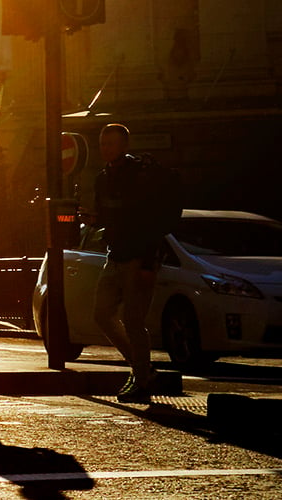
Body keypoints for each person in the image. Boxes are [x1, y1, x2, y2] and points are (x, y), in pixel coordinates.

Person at [91, 123, 180, 403]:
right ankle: (143, 368)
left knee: (133, 319)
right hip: (115, 254)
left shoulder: (141, 177)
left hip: (138, 257)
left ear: (125, 146)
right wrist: (95, 222)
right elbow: (107, 215)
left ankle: (141, 379)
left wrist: (147, 263)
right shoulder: (103, 178)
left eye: (111, 144)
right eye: (103, 143)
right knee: (102, 313)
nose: (106, 149)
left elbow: (152, 223)